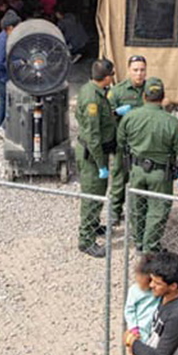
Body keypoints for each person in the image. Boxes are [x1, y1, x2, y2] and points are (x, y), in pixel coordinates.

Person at [118, 77, 178, 254]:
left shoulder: (130, 117)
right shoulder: (171, 122)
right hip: (160, 173)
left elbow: (121, 141)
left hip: (137, 169)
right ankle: (151, 247)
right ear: (163, 96)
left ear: (144, 96)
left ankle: (139, 242)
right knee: (157, 210)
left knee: (137, 207)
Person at [76, 59, 118, 258]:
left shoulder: (92, 90)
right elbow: (92, 135)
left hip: (95, 153)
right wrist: (101, 164)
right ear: (107, 76)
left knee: (99, 191)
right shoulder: (92, 98)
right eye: (112, 74)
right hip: (92, 155)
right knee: (92, 196)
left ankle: (93, 226)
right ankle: (86, 240)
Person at [108, 55, 149, 225]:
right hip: (123, 145)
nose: (139, 74)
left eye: (142, 70)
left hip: (144, 145)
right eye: (135, 70)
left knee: (140, 181)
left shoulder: (150, 89)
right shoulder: (118, 91)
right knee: (119, 179)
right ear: (128, 71)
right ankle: (114, 213)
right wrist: (116, 112)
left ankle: (137, 215)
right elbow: (107, 117)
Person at [120, 254, 161, 355]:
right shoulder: (135, 291)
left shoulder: (157, 291)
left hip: (154, 329)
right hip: (139, 330)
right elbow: (129, 310)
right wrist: (133, 327)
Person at [0, 10, 20, 136]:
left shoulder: (6, 37)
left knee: (3, 102)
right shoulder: (2, 42)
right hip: (0, 77)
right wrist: (16, 64)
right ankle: (3, 128)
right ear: (10, 28)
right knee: (11, 103)